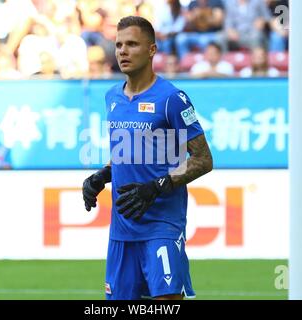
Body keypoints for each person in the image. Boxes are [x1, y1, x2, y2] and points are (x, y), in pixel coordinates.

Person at [82, 16, 213, 300]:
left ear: (152, 50)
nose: (122, 51)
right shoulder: (112, 97)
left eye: (131, 44)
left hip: (161, 227)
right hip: (122, 230)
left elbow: (203, 159)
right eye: (118, 45)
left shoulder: (171, 99)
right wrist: (101, 176)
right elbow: (126, 152)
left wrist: (157, 186)